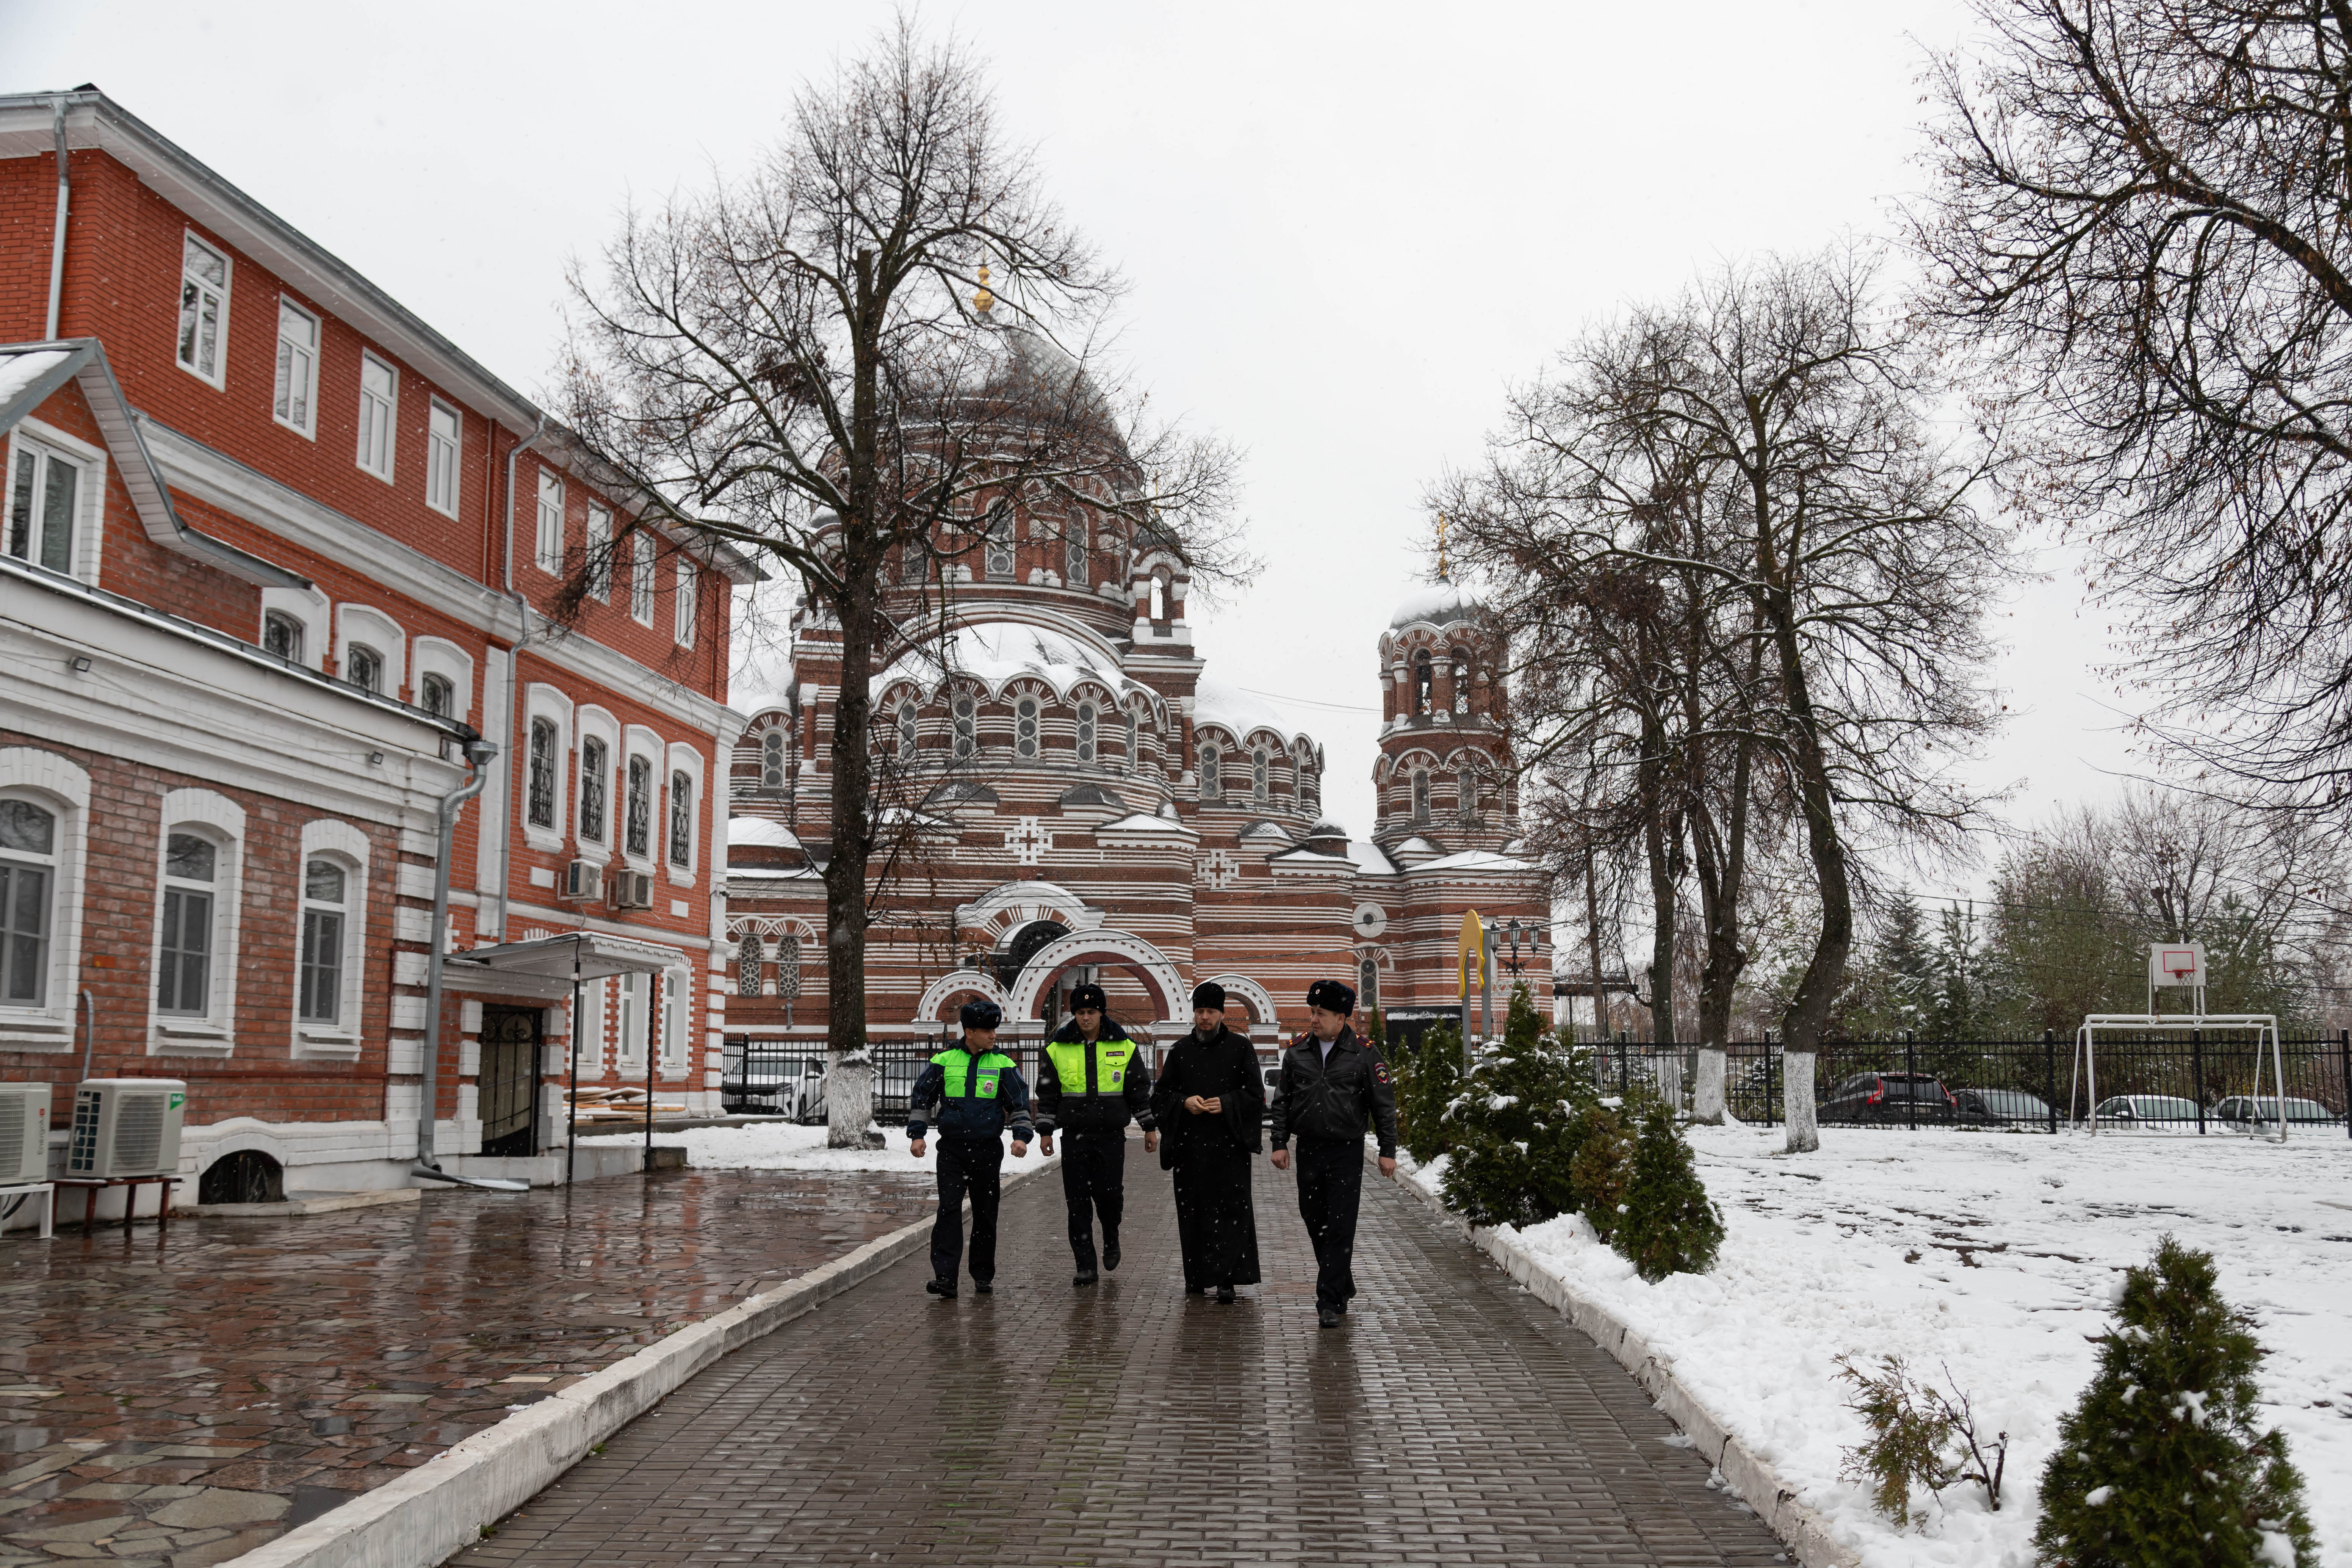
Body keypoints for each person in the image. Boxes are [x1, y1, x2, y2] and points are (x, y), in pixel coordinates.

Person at [1268, 978, 1397, 1328]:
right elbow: (1282, 1102)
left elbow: (1384, 1105)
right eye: (1312, 1012)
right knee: (1314, 1221)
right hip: (1309, 1149)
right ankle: (1342, 1280)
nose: (1314, 1019)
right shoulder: (1297, 1051)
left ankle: (1327, 1299)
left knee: (1340, 1224)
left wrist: (1388, 1150)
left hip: (1346, 1151)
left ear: (1341, 1018)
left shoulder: (1365, 1053)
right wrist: (1279, 1142)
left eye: (1321, 1013)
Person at [906, 999, 1032, 1299]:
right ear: (970, 1032)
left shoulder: (1003, 1065)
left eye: (994, 1030)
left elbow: (1019, 1104)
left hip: (988, 1150)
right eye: (987, 1030)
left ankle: (983, 1275)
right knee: (949, 1210)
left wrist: (1021, 1136)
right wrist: (917, 1135)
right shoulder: (944, 1060)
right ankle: (946, 1277)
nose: (993, 1035)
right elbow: (922, 1097)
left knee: (985, 1213)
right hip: (952, 1150)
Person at [1035, 982, 1159, 1287]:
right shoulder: (1057, 1048)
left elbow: (1138, 1090)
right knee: (1077, 1203)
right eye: (1080, 1012)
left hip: (1110, 1136)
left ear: (1102, 1013)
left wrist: (1149, 1127)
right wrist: (1046, 1131)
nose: (1086, 1017)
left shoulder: (1124, 1045)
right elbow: (1048, 1094)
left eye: (1091, 1011)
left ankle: (1111, 1235)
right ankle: (1086, 1265)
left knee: (1110, 1197)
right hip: (1074, 1136)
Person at [1149, 981, 1264, 1303]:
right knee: (1193, 1214)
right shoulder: (1180, 1051)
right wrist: (1183, 1102)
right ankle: (1197, 1276)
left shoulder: (1240, 1048)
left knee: (1231, 1213)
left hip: (1229, 1149)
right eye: (1200, 1011)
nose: (1204, 1017)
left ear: (1222, 1013)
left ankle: (1227, 1279)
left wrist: (1227, 1102)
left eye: (1211, 1011)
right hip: (1191, 1149)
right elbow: (1161, 1096)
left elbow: (1255, 1095)